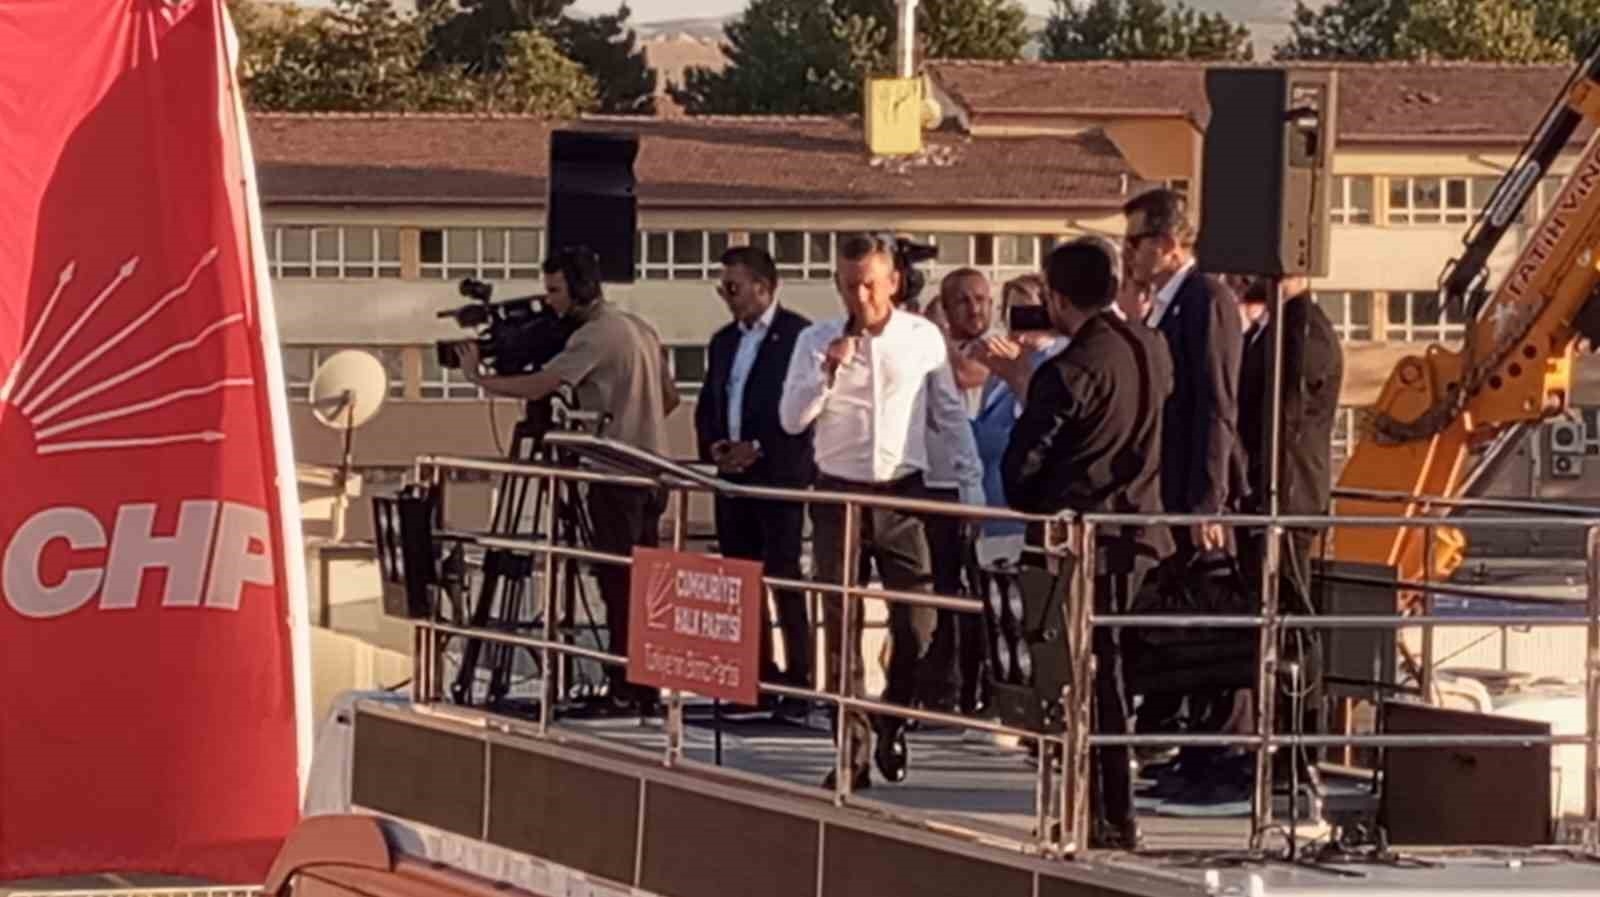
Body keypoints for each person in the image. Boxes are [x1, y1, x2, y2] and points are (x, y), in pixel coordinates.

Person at [779, 233, 982, 790]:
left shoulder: (922, 338)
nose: (860, 297)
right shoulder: (814, 340)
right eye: (849, 286)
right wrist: (826, 373)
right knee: (840, 626)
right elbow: (791, 419)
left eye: (870, 285)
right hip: (837, 495)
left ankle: (893, 717)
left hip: (902, 493)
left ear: (893, 282)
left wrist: (971, 485)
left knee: (918, 622)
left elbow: (948, 413)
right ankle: (852, 752)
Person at [1002, 238, 1173, 850]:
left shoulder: (1068, 371)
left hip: (1080, 545)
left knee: (1079, 682)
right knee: (1113, 677)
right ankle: (1114, 811)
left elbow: (1020, 474)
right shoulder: (1151, 346)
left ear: (1056, 297)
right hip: (1140, 534)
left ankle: (1097, 813)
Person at [456, 246, 678, 715]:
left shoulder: (595, 335)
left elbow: (542, 384)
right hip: (653, 470)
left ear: (579, 288)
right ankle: (644, 686)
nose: (551, 300)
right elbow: (671, 398)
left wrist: (480, 378)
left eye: (556, 290)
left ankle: (626, 688)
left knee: (618, 583)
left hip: (617, 475)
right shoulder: (639, 327)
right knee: (644, 588)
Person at [1121, 188, 1243, 795]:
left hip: (1197, 494)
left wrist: (1208, 501)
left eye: (1136, 242)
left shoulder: (1207, 300)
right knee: (1184, 623)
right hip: (1165, 491)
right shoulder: (1164, 307)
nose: (1128, 254)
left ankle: (1221, 756)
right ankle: (1192, 752)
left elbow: (1217, 405)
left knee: (1213, 622)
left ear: (1168, 244)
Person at [694, 245, 815, 712]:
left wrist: (760, 447)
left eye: (733, 287)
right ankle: (752, 678)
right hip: (733, 481)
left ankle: (800, 681)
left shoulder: (798, 335)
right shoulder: (723, 341)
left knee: (784, 576)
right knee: (740, 580)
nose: (726, 296)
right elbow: (710, 402)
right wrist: (715, 446)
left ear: (763, 288)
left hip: (779, 478)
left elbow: (804, 411)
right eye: (722, 287)